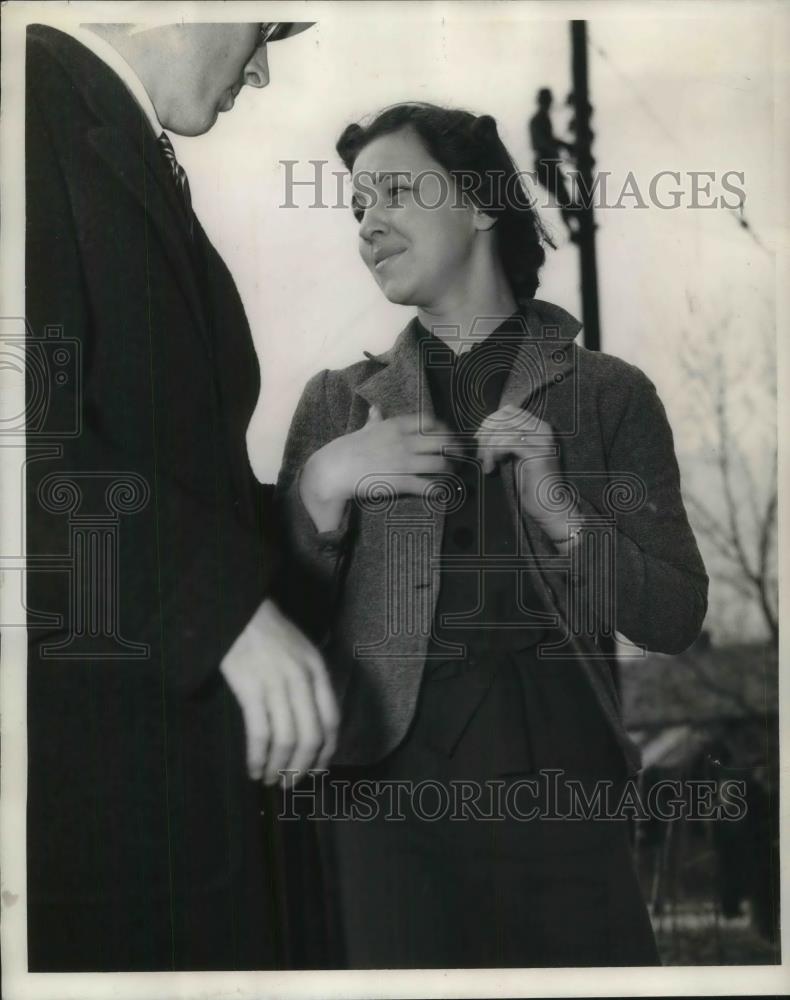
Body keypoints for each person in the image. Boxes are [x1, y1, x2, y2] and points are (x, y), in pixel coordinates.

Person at [276, 103, 709, 968]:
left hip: (566, 795)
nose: (367, 221)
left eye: (395, 190)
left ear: (479, 203)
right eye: (356, 204)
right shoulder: (337, 404)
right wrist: (323, 488)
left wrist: (565, 514)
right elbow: (276, 618)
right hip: (383, 808)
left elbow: (676, 615)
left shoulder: (611, 394)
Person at [25, 21, 338, 971]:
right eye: (265, 26)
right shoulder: (26, 98)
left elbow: (165, 473)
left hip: (167, 816)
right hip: (96, 831)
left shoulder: (108, 133)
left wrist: (314, 503)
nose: (265, 65)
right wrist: (225, 611)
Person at [529, 87, 579, 236]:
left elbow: (549, 141)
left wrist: (564, 147)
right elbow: (544, 142)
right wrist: (565, 147)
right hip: (545, 165)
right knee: (564, 198)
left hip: (547, 164)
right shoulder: (538, 119)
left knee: (564, 199)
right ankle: (573, 229)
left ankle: (574, 228)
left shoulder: (542, 118)